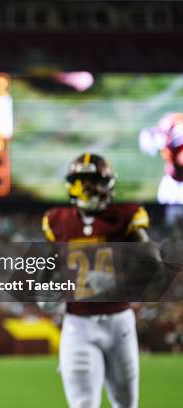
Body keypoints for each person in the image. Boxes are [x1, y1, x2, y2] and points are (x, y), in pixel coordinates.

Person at [41, 153, 151, 408]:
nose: (88, 187)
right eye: (81, 181)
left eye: (93, 180)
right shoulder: (58, 221)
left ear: (108, 184)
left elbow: (151, 266)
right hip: (77, 324)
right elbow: (48, 265)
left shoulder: (126, 217)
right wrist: (43, 290)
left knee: (126, 403)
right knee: (82, 404)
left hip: (118, 323)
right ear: (72, 185)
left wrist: (116, 281)